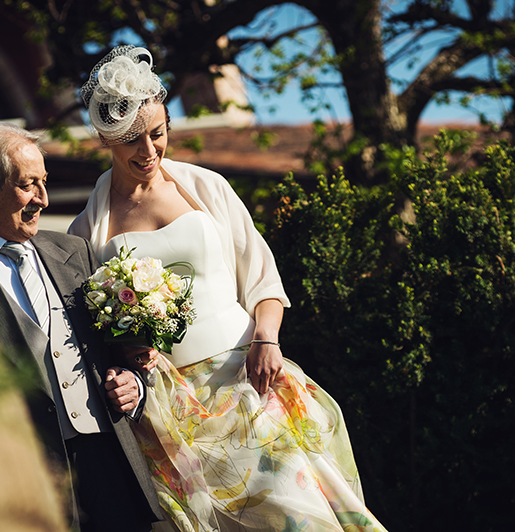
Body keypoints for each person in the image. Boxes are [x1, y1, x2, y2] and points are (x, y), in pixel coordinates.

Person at [69, 45, 389, 532]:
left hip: (246, 377)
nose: (149, 151)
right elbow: (92, 330)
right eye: (133, 140)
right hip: (169, 405)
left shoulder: (207, 188)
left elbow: (263, 276)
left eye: (158, 134)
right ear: (107, 138)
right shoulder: (87, 229)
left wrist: (266, 339)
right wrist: (127, 355)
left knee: (300, 516)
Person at [0, 122, 163, 532]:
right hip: (23, 478)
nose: (42, 199)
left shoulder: (72, 251)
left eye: (44, 182)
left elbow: (119, 353)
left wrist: (133, 382)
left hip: (108, 458)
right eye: (28, 185)